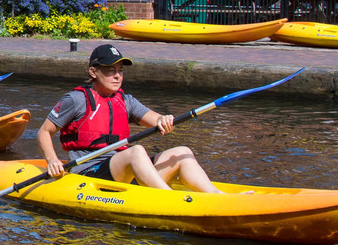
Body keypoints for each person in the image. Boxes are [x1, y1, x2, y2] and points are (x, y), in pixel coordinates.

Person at [36, 43, 222, 192]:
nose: (117, 76)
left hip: (123, 170)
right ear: (93, 72)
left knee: (182, 151)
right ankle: (169, 198)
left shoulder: (125, 101)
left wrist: (164, 120)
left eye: (120, 71)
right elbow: (44, 132)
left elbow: (156, 119)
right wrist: (52, 160)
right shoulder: (76, 100)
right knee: (136, 151)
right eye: (110, 70)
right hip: (89, 174)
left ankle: (217, 197)